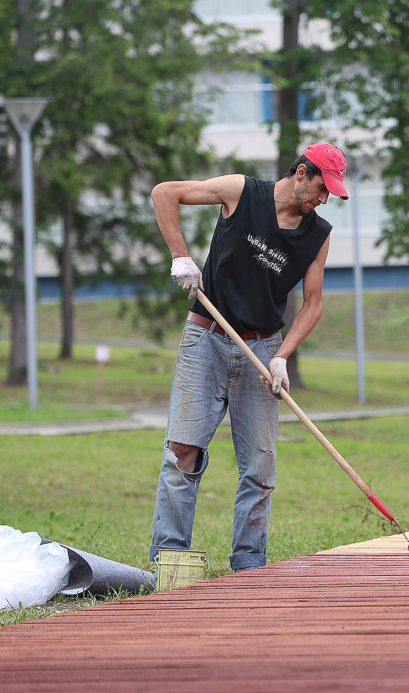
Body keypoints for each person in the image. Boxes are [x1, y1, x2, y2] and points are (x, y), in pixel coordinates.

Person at [149, 143, 348, 571]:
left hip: (262, 348)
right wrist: (180, 255)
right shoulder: (242, 191)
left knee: (259, 468)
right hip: (205, 339)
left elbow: (312, 304)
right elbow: (165, 192)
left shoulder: (318, 234)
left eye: (331, 193)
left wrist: (283, 357)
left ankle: (249, 566)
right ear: (300, 173)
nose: (323, 198)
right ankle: (169, 563)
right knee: (182, 454)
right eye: (320, 187)